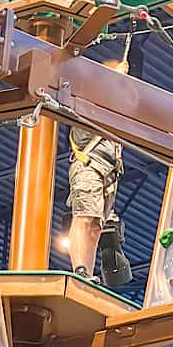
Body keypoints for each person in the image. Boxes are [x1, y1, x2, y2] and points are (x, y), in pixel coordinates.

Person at [67, 58, 128, 280]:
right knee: (84, 216)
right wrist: (114, 76)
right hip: (89, 164)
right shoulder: (88, 96)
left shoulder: (113, 111)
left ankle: (87, 273)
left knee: (96, 226)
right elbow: (103, 90)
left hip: (109, 172)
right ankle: (79, 268)